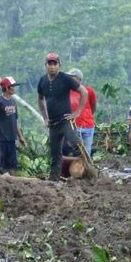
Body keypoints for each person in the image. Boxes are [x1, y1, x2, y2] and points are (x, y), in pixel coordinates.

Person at [37, 52, 87, 181]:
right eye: (50, 64)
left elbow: (84, 92)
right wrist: (45, 118)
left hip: (66, 121)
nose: (52, 66)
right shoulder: (42, 81)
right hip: (53, 124)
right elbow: (40, 99)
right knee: (55, 154)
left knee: (77, 146)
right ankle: (54, 180)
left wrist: (77, 113)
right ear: (46, 65)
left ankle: (90, 174)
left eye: (55, 64)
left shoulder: (65, 78)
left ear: (59, 65)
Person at [0, 76, 26, 175]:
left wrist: (20, 137)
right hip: (1, 138)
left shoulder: (12, 101)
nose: (14, 88)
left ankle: (14, 185)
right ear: (7, 88)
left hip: (11, 138)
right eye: (13, 86)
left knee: (12, 164)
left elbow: (15, 121)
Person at [68, 68, 97, 155]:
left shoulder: (89, 91)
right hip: (74, 127)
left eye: (71, 77)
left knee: (86, 152)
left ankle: (86, 167)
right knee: (76, 151)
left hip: (88, 126)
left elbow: (93, 106)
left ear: (78, 79)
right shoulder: (67, 91)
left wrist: (88, 116)